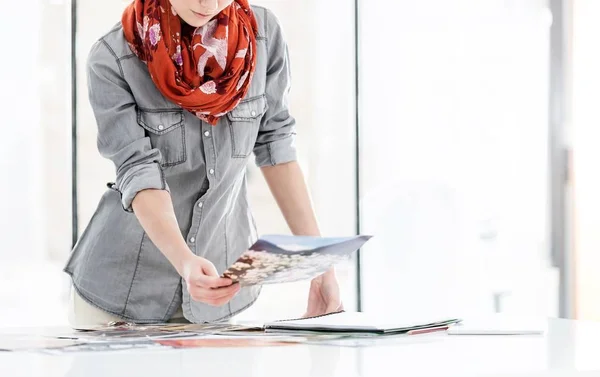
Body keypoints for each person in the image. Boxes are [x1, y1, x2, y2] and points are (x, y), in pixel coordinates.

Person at [64, 0, 342, 326]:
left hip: (219, 291)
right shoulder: (113, 57)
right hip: (121, 296)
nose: (208, 3)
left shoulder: (262, 34)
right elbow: (138, 171)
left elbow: (277, 144)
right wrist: (184, 262)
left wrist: (321, 265)